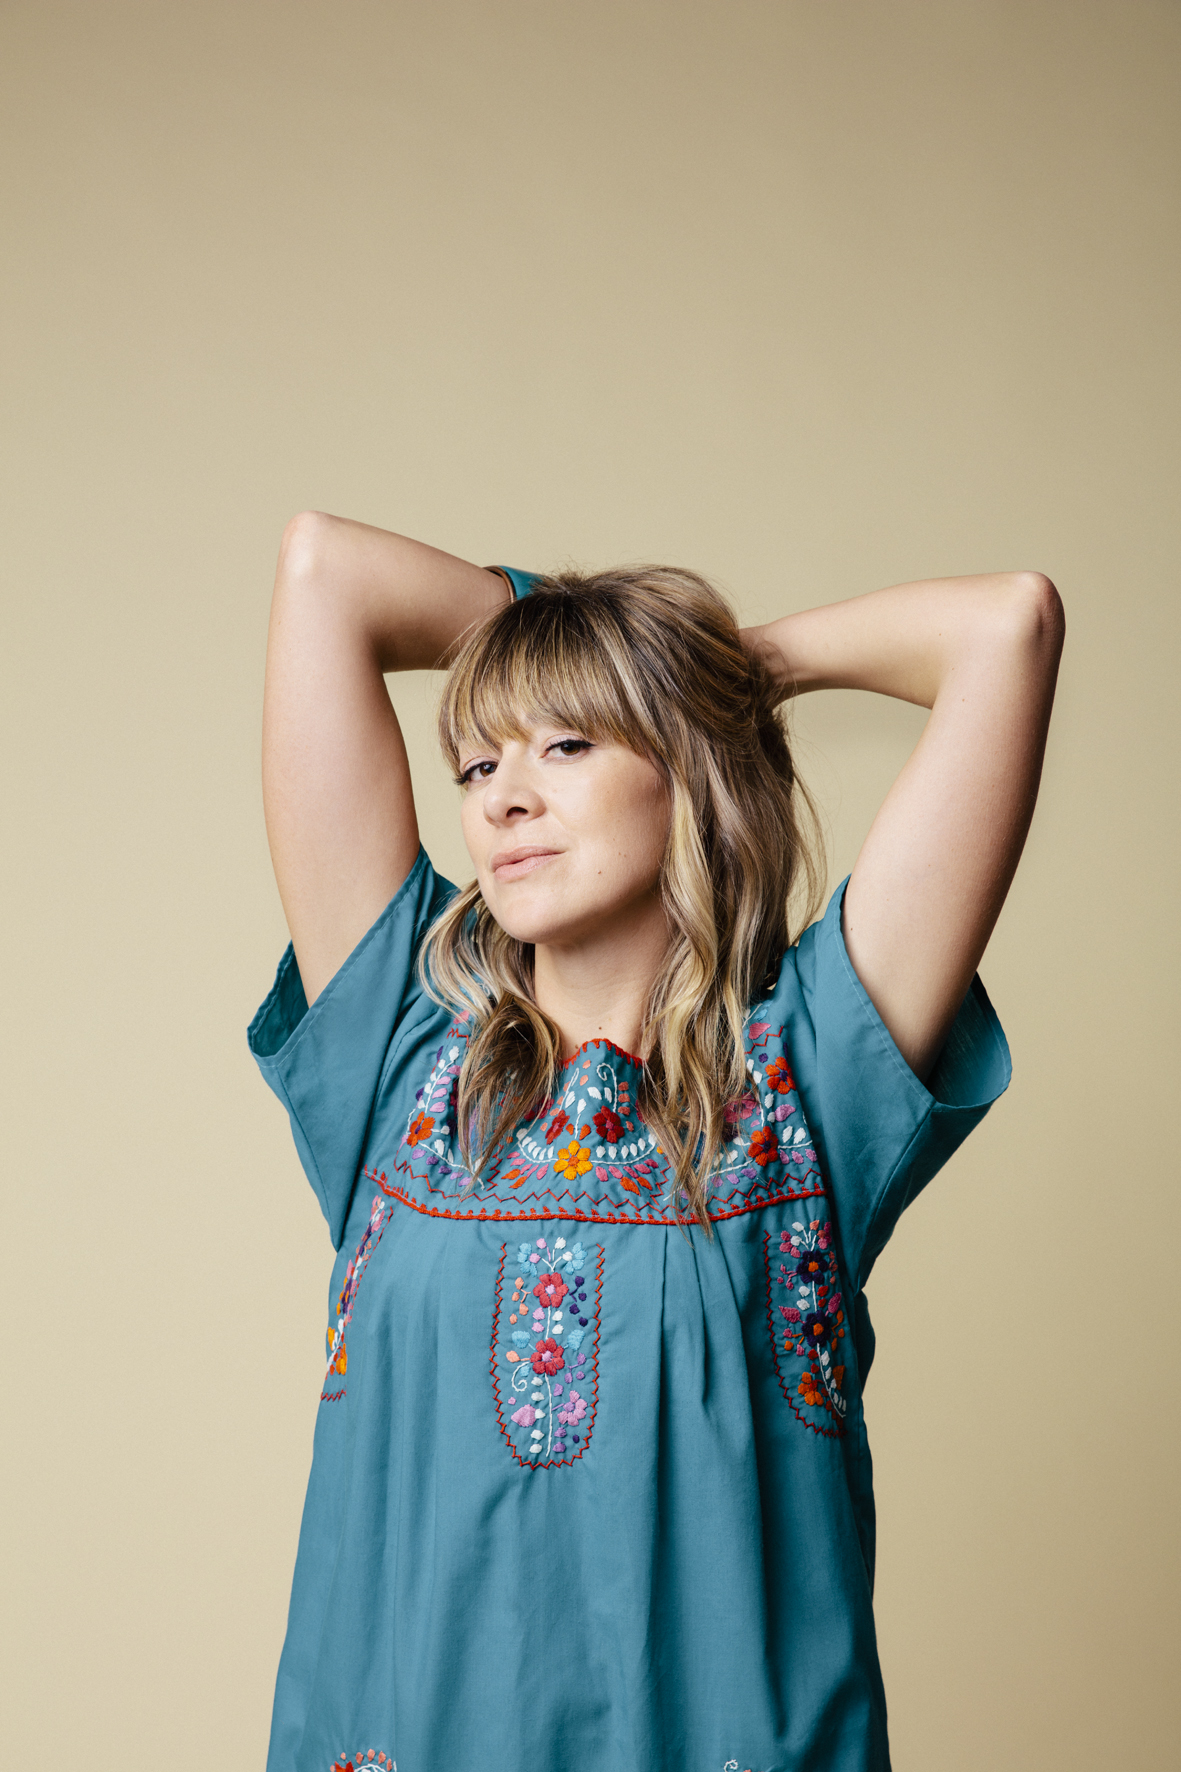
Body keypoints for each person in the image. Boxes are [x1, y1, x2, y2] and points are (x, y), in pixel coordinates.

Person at [249, 513, 1063, 1772]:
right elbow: (322, 569)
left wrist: (707, 669)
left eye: (567, 743)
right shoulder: (396, 1058)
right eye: (475, 764)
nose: (503, 795)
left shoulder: (812, 1075)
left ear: (685, 763)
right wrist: (577, 647)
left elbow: (1006, 627)